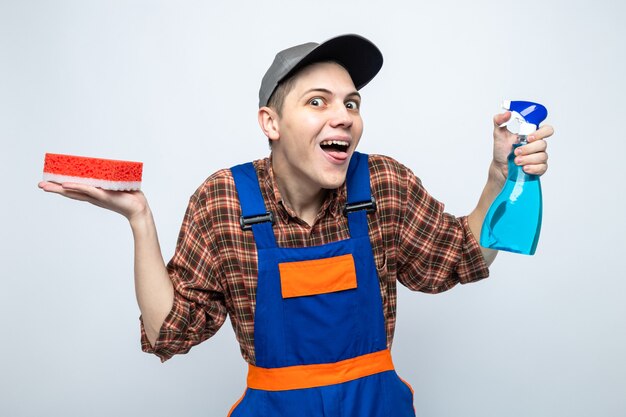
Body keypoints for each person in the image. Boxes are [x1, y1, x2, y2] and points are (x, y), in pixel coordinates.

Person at [39, 34, 553, 416]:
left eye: (351, 103)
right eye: (318, 102)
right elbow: (169, 332)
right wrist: (140, 220)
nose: (344, 116)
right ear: (271, 123)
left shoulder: (382, 184)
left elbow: (462, 255)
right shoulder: (224, 201)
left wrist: (497, 179)